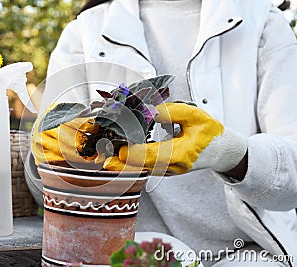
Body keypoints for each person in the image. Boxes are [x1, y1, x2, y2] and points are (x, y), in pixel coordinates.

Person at [35, 0, 297, 266]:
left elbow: (293, 176)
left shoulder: (262, 20)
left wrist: (229, 153)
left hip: (248, 252)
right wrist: (59, 157)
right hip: (129, 251)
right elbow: (44, 189)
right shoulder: (85, 33)